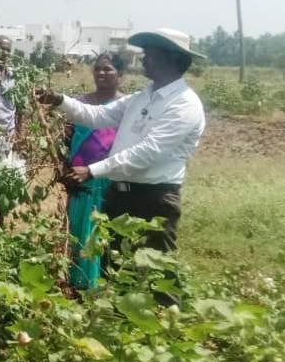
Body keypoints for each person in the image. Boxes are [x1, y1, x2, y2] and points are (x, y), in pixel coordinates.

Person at [37, 29, 206, 265]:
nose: (144, 59)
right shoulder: (140, 98)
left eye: (150, 54)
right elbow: (97, 115)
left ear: (172, 59)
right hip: (120, 195)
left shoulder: (184, 104)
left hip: (153, 199)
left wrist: (92, 170)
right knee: (114, 267)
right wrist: (60, 100)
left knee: (156, 273)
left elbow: (149, 151)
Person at [59, 51, 125, 290]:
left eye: (108, 69)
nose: (102, 73)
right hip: (78, 178)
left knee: (103, 229)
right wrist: (63, 168)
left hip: (108, 179)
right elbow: (64, 139)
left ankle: (100, 282)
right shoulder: (80, 104)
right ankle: (76, 280)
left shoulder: (125, 107)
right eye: (98, 69)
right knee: (77, 227)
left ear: (121, 74)